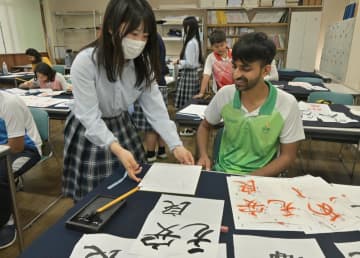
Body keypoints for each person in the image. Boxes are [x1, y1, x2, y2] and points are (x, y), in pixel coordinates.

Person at [63, 0, 194, 202]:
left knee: (131, 184)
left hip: (120, 123)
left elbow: (156, 109)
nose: (139, 42)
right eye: (133, 34)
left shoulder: (143, 64)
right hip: (88, 130)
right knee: (93, 195)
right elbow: (89, 117)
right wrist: (116, 148)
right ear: (110, 27)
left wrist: (176, 145)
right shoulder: (86, 62)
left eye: (145, 36)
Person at [196, 32, 305, 176]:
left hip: (263, 178)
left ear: (266, 70)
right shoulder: (225, 94)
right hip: (223, 172)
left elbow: (288, 157)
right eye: (234, 66)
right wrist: (203, 155)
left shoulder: (287, 103)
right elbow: (205, 126)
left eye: (246, 69)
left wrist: (250, 179)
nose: (235, 75)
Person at [0, 90, 42, 249]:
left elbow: (16, 147)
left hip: (26, 149)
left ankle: (5, 221)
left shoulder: (9, 104)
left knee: (1, 176)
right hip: (3, 150)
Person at [132, 33, 169, 162]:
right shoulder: (158, 37)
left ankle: (150, 154)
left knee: (150, 126)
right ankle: (162, 150)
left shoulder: (145, 41)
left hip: (149, 85)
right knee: (160, 121)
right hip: (161, 83)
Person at [193, 29, 233, 99]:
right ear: (212, 47)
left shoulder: (234, 53)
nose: (220, 48)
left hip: (235, 90)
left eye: (222, 45)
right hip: (219, 92)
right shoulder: (211, 58)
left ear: (226, 43)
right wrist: (201, 93)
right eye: (216, 46)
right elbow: (206, 75)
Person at [174, 16, 203, 109]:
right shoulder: (195, 41)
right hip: (193, 75)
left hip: (189, 75)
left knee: (186, 105)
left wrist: (179, 61)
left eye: (184, 26)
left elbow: (190, 63)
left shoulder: (190, 43)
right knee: (192, 103)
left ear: (188, 27)